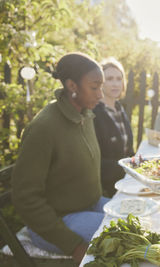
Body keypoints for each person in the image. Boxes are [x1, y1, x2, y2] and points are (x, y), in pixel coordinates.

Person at [11, 52, 108, 264]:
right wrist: (73, 245)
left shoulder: (86, 115)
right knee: (124, 238)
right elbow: (25, 198)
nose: (100, 94)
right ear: (72, 86)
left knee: (141, 221)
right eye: (94, 87)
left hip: (89, 206)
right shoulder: (43, 128)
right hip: (57, 224)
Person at [93, 58, 134, 197]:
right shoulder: (94, 114)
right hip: (106, 189)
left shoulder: (119, 108)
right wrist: (129, 168)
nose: (116, 83)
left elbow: (128, 150)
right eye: (109, 79)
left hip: (126, 182)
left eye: (119, 78)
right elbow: (96, 161)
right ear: (100, 83)